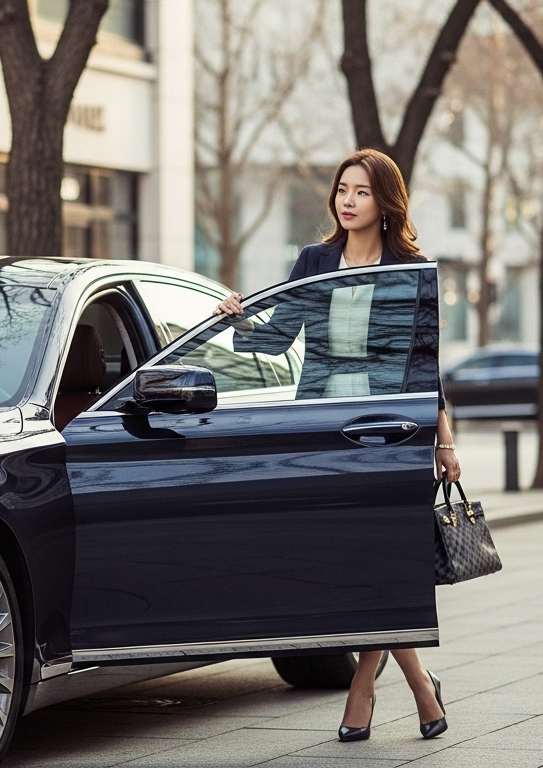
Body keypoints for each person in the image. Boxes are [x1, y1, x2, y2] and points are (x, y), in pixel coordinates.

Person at [215, 148, 459, 742]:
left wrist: (443, 441)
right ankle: (419, 685)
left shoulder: (412, 269)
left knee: (382, 559)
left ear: (385, 202)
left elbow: (425, 366)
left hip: (391, 428)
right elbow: (278, 341)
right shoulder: (315, 261)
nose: (348, 202)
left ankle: (363, 688)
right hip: (324, 425)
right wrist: (236, 321)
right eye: (342, 190)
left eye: (361, 192)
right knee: (354, 562)